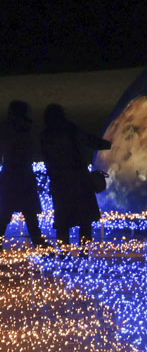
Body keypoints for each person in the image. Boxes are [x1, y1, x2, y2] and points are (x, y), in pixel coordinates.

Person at [40, 104, 107, 246]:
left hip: (60, 182)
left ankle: (64, 252)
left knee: (64, 221)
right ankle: (83, 251)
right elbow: (88, 140)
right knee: (84, 218)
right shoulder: (70, 129)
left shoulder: (46, 135)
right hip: (79, 180)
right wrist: (106, 144)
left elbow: (47, 157)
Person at [1, 101, 48, 247]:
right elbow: (37, 148)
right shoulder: (27, 128)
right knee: (28, 212)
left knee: (6, 212)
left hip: (10, 175)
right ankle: (39, 242)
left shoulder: (6, 128)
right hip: (22, 175)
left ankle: (39, 242)